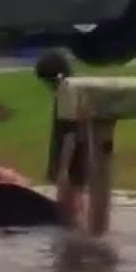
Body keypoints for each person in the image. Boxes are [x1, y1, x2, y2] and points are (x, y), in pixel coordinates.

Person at [35, 49, 115, 236]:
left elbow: (71, 135)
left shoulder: (67, 94)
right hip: (79, 155)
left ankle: (77, 246)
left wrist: (63, 170)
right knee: (74, 204)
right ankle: (84, 238)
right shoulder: (76, 90)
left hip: (71, 158)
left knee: (68, 209)